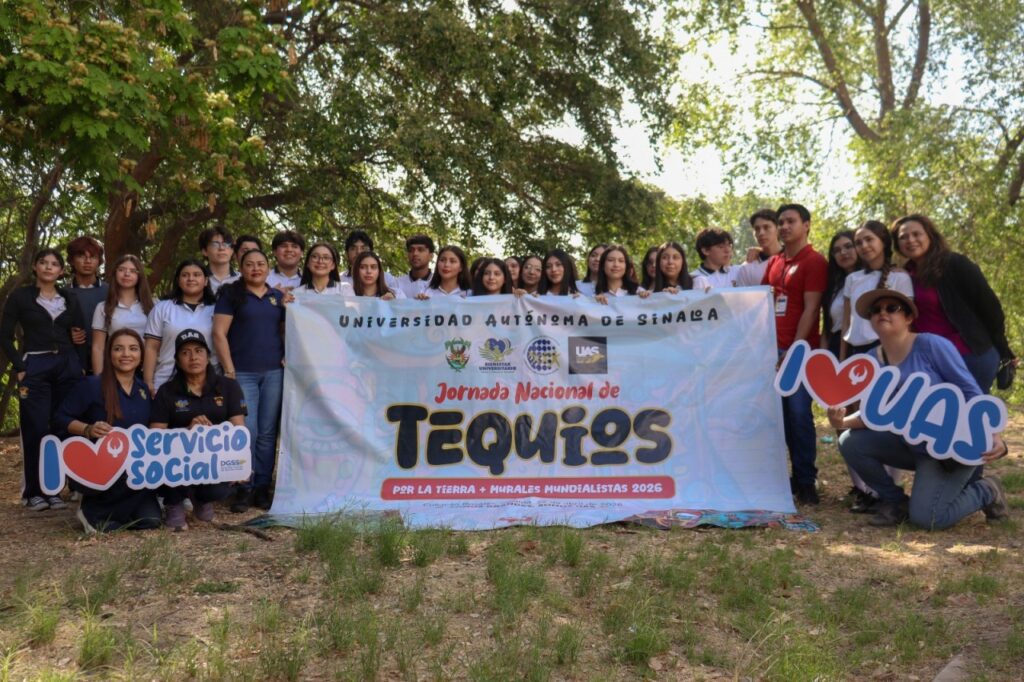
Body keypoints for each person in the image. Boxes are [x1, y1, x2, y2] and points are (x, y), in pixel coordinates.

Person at [829, 289, 1010, 528]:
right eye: (876, 310)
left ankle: (987, 490)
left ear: (908, 318)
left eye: (891, 308)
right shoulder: (871, 359)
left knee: (929, 519)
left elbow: (971, 391)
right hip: (910, 443)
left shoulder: (931, 345)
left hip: (948, 448)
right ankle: (896, 503)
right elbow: (877, 414)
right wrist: (840, 422)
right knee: (850, 441)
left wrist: (993, 434)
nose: (882, 313)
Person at [1, 248, 86, 511]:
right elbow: (4, 334)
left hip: (66, 365)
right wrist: (19, 365)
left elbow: (80, 334)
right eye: (43, 263)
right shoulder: (21, 297)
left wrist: (79, 366)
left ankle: (55, 490)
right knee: (35, 426)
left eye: (54, 264)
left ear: (61, 271)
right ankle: (33, 492)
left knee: (62, 426)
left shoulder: (69, 298)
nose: (49, 267)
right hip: (35, 364)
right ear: (36, 267)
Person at [891, 214, 1015, 393]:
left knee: (969, 416)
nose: (910, 240)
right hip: (930, 360)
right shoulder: (904, 275)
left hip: (969, 355)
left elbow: (991, 309)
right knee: (939, 417)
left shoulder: (954, 263)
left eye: (916, 234)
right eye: (903, 237)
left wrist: (1003, 349)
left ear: (930, 236)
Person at [55, 329, 161, 533]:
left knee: (151, 521)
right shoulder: (91, 385)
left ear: (141, 355)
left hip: (134, 467)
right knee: (110, 521)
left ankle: (118, 512)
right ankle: (91, 512)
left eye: (133, 349)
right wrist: (87, 429)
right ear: (109, 354)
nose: (126, 354)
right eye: (118, 349)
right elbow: (60, 418)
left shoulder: (143, 390)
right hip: (99, 464)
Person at [762, 203, 827, 504]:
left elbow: (812, 308)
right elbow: (759, 303)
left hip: (798, 352)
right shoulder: (774, 262)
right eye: (781, 222)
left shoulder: (815, 262)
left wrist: (794, 350)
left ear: (807, 225)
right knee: (779, 418)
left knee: (800, 414)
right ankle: (787, 478)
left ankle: (806, 481)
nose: (785, 227)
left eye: (791, 221)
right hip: (767, 351)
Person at [212, 250, 286, 512]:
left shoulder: (278, 298)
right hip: (242, 372)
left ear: (268, 268)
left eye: (261, 264)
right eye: (250, 264)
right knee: (247, 431)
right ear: (241, 268)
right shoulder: (231, 295)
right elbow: (219, 333)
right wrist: (229, 370)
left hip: (274, 373)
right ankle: (244, 486)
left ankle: (263, 488)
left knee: (267, 434)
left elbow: (289, 332)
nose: (256, 268)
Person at [151, 329, 246, 530]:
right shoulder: (166, 392)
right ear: (177, 360)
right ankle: (174, 503)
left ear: (207, 356)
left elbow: (239, 430)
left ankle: (202, 498)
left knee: (219, 491)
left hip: (215, 458)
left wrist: (241, 462)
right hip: (178, 461)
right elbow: (155, 437)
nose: (193, 357)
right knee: (168, 459)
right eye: (185, 352)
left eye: (198, 351)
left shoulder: (228, 386)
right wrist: (188, 431)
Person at [841, 221, 914, 360]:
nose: (864, 246)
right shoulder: (852, 279)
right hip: (854, 352)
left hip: (888, 351)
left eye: (869, 239)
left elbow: (908, 322)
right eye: (858, 242)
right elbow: (846, 323)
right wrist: (842, 358)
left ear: (884, 241)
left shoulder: (900, 277)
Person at [143, 259, 219, 393]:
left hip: (209, 383)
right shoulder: (162, 308)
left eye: (196, 275)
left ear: (206, 281)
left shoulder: (217, 309)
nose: (191, 279)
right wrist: (148, 381)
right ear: (178, 280)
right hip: (166, 381)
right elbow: (151, 347)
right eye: (185, 275)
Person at [91, 254, 154, 373]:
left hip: (148, 369)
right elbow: (98, 348)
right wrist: (98, 380)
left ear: (139, 275)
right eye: (121, 270)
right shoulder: (103, 307)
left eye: (133, 271)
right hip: (117, 367)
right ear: (115, 273)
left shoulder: (154, 305)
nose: (127, 274)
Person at [65, 236, 108, 374]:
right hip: (73, 364)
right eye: (81, 256)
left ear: (99, 261)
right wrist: (66, 335)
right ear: (71, 260)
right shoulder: (62, 294)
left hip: (109, 363)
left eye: (93, 257)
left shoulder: (111, 291)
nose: (87, 261)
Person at [820, 231, 858, 356]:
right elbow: (827, 328)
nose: (843, 252)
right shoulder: (833, 287)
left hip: (864, 347)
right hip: (835, 348)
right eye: (837, 250)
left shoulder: (875, 279)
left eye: (848, 246)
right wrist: (822, 357)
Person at [735, 208, 783, 287]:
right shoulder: (747, 268)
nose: (761, 233)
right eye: (757, 229)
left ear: (778, 229)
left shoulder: (794, 258)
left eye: (766, 227)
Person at [198, 226, 238, 293]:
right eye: (215, 244)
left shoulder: (242, 279)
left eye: (226, 244)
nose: (221, 248)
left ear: (232, 250)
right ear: (204, 251)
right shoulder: (197, 279)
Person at [396, 234, 435, 299]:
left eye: (420, 250)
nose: (415, 254)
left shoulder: (440, 284)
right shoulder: (397, 284)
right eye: (411, 250)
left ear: (431, 256)